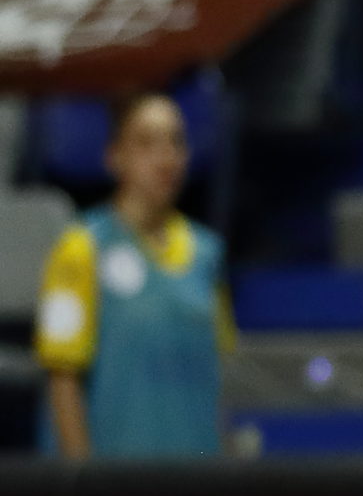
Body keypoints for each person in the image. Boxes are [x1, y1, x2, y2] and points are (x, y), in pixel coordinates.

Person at [35, 92, 232, 460]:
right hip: (116, 493)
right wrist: (83, 487)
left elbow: (215, 379)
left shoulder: (208, 254)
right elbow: (62, 379)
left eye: (176, 141)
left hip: (198, 489)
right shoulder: (78, 248)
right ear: (115, 156)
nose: (165, 158)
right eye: (146, 142)